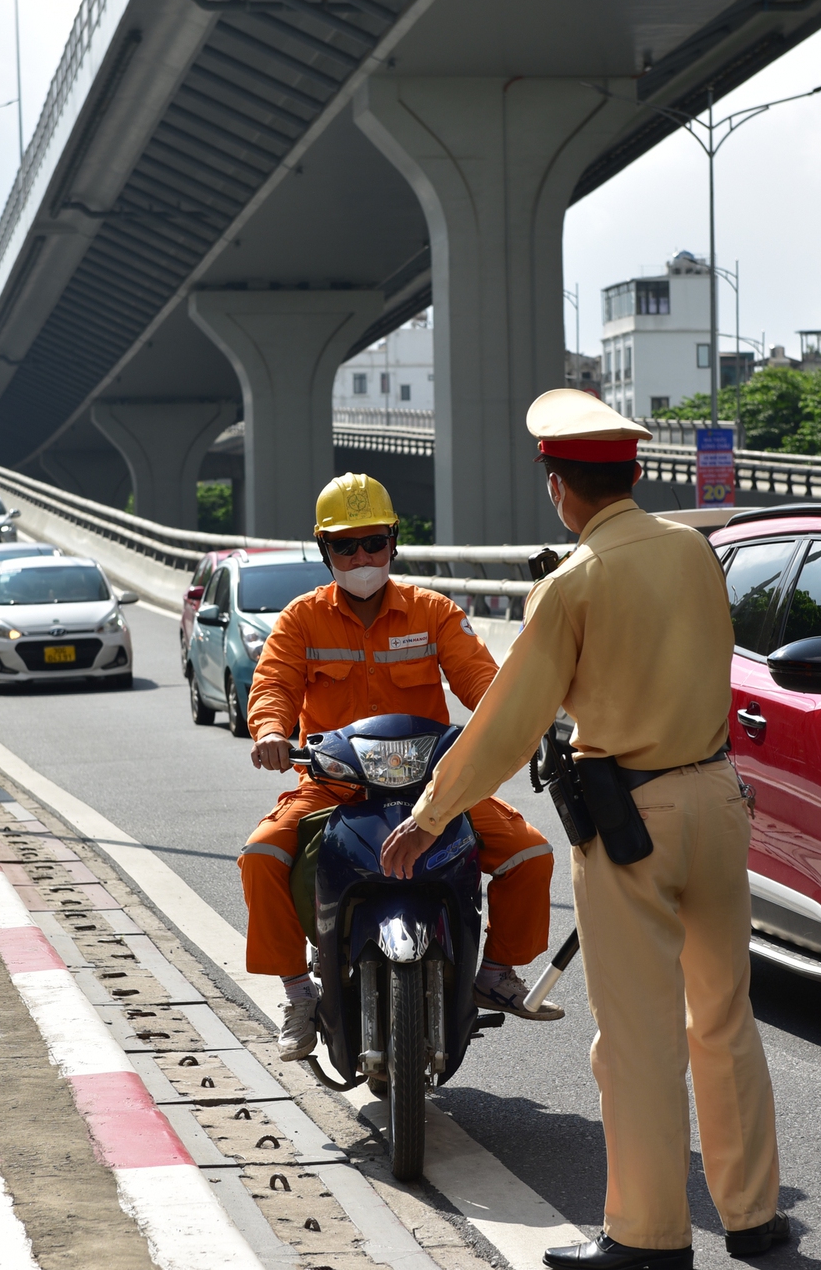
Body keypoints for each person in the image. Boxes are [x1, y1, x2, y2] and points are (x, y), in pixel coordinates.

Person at [379, 390, 788, 1265]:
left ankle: (648, 1236)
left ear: (560, 489)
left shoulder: (573, 582)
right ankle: (754, 1216)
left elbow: (506, 722)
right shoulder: (694, 551)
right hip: (718, 798)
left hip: (629, 816)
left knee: (638, 1039)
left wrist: (429, 812)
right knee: (724, 1013)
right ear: (634, 474)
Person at [242, 472, 563, 1062]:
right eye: (346, 545)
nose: (362, 557)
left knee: (530, 854)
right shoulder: (299, 620)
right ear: (325, 550)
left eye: (372, 543)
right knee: (262, 855)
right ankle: (296, 994)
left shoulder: (433, 612)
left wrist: (518, 721)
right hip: (332, 787)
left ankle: (494, 971)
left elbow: (482, 683)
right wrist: (269, 733)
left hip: (433, 788)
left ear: (393, 542)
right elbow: (273, 686)